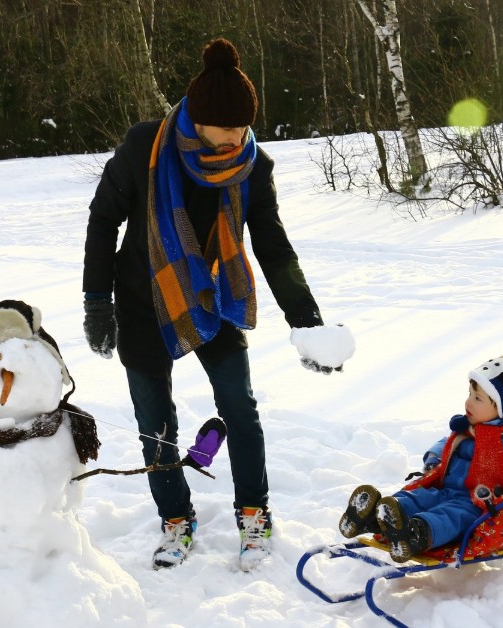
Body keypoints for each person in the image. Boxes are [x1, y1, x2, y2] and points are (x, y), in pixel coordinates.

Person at [82, 38, 353, 571]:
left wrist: (306, 321)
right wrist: (97, 301)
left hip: (213, 297)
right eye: (225, 127)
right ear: (197, 120)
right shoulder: (145, 148)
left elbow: (272, 245)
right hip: (141, 297)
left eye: (243, 127)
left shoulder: (253, 165)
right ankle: (175, 520)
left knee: (240, 409)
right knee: (154, 421)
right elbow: (101, 218)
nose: (236, 137)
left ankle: (254, 513)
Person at [338, 343, 503, 563]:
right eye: (470, 394)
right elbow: (449, 441)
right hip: (447, 488)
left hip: (480, 502)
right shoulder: (472, 426)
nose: (468, 403)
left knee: (452, 516)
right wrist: (435, 456)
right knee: (421, 498)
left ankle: (417, 534)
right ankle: (377, 516)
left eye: (478, 398)